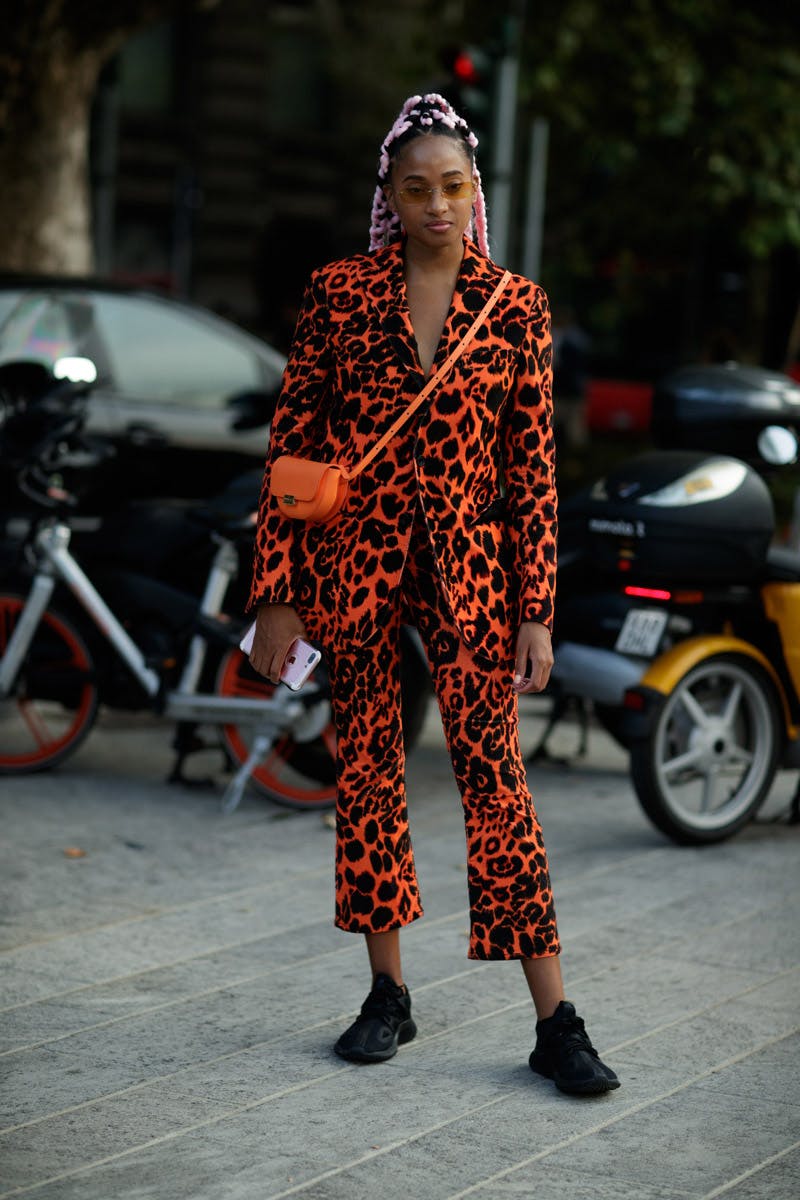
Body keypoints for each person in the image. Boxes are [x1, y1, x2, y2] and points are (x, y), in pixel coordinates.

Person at [247, 93, 619, 1096]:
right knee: (366, 771)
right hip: (354, 568)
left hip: (472, 576)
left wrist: (535, 608)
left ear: (475, 191)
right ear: (389, 195)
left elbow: (528, 475)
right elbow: (295, 448)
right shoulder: (336, 295)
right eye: (415, 189)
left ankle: (554, 1020)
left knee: (497, 782)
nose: (436, 206)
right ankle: (385, 996)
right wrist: (276, 596)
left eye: (452, 187)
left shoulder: (515, 308)